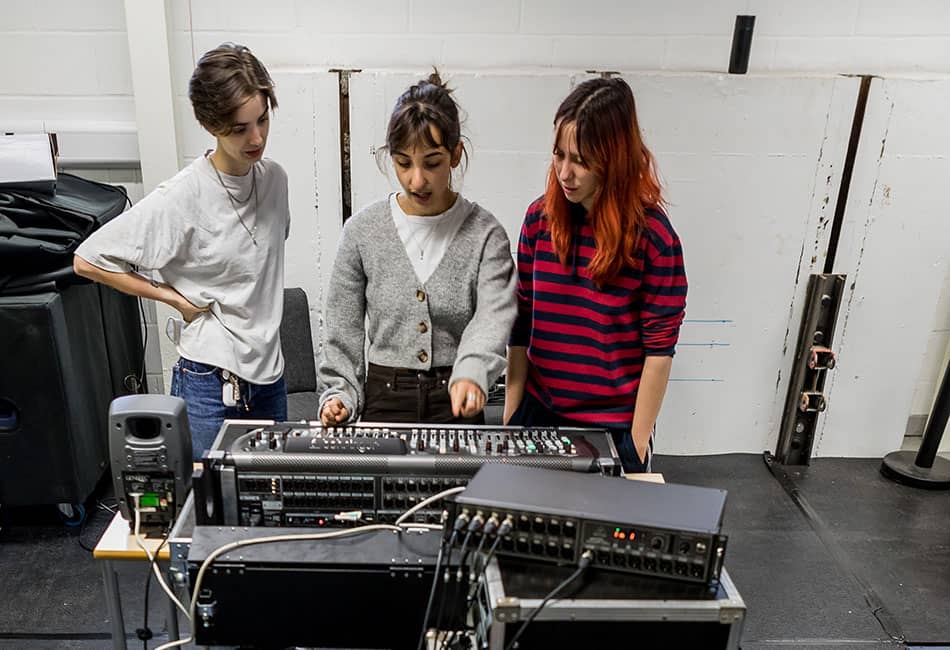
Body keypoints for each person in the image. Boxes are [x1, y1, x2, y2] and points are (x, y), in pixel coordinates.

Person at [73, 43, 291, 460]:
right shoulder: (183, 195)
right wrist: (172, 298)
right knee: (209, 509)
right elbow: (88, 259)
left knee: (272, 499)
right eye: (240, 128)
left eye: (262, 120)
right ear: (210, 123)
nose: (257, 137)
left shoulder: (276, 181)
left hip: (270, 377)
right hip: (210, 380)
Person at [504, 77, 687, 474]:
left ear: (614, 159)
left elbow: (659, 351)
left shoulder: (654, 239)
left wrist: (635, 446)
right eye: (559, 155)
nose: (565, 173)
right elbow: (521, 323)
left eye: (582, 160)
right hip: (540, 414)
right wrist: (511, 418)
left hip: (614, 427)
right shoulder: (540, 221)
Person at [319, 71, 516, 427]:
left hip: (456, 402)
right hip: (383, 401)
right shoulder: (362, 232)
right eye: (403, 163)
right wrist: (340, 393)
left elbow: (493, 317)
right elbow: (342, 331)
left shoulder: (487, 235)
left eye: (432, 162)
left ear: (456, 154)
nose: (417, 180)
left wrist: (473, 371)